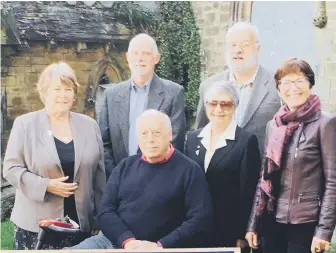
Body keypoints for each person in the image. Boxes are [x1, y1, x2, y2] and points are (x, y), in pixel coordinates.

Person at [70, 109, 213, 249]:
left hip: (161, 247)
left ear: (169, 135)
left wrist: (161, 245)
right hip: (112, 241)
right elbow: (105, 211)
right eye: (144, 134)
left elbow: (199, 219)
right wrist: (127, 241)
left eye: (156, 133)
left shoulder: (189, 170)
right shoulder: (125, 166)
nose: (150, 139)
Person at [245, 58, 336, 253]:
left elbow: (334, 182)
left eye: (299, 80)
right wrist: (253, 225)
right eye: (286, 82)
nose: (293, 88)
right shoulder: (273, 125)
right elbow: (264, 179)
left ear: (310, 84)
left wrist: (323, 231)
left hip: (305, 223)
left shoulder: (327, 123)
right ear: (279, 89)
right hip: (272, 221)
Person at [3, 62, 105, 249]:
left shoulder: (90, 126)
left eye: (68, 89)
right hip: (38, 227)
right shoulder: (25, 124)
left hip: (81, 225)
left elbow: (99, 176)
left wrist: (100, 218)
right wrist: (46, 186)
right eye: (57, 89)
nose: (63, 95)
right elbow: (11, 169)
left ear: (74, 93)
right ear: (44, 92)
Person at [185, 81, 261, 252]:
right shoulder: (192, 139)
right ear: (205, 105)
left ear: (235, 107)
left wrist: (241, 234)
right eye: (213, 103)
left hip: (228, 231)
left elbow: (248, 192)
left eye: (225, 104)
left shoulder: (246, 141)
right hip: (194, 229)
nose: (218, 109)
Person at [100, 33, 186, 179]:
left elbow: (174, 141)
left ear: (156, 58)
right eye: (135, 53)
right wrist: (117, 176)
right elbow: (104, 143)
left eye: (146, 53)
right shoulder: (111, 95)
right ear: (128, 57)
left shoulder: (173, 93)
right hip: (120, 180)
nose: (139, 58)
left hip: (158, 179)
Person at [195, 22, 280, 156]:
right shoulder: (208, 86)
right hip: (219, 169)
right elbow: (200, 132)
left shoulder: (276, 84)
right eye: (232, 45)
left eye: (245, 44)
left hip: (262, 170)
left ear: (258, 49)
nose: (238, 50)